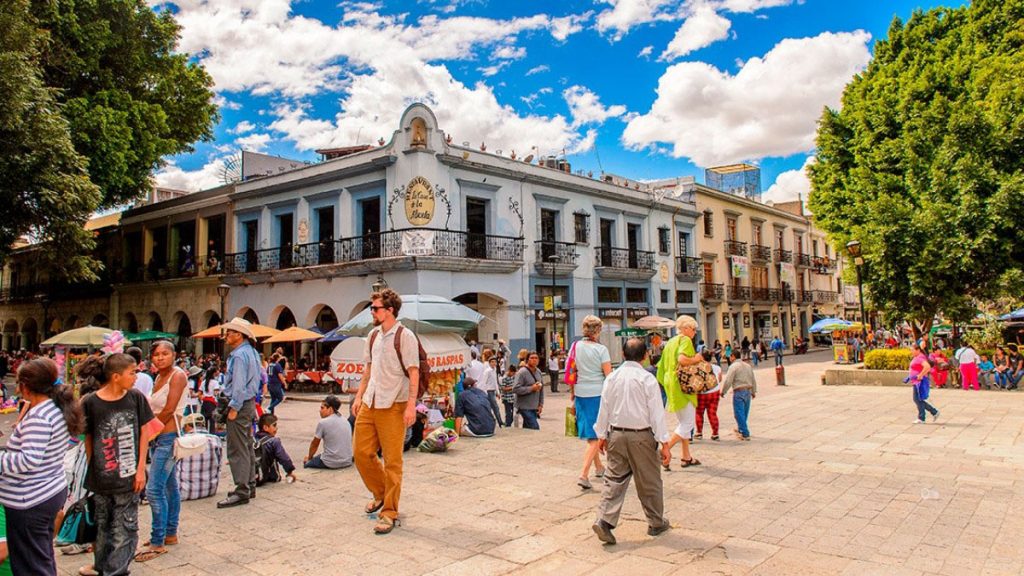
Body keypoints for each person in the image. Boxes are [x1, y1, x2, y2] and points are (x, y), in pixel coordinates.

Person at [0, 358, 84, 575]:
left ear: (25, 387)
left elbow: (28, 460)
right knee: (40, 556)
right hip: (47, 489)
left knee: (29, 563)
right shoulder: (54, 409)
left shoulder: (40, 416)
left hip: (30, 499)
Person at [80, 353, 161, 575]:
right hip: (101, 478)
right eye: (132, 372)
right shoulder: (90, 402)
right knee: (103, 527)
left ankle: (116, 571)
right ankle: (104, 567)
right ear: (116, 376)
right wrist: (92, 466)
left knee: (125, 528)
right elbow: (88, 438)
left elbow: (145, 432)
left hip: (128, 476)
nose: (136, 377)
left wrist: (140, 470)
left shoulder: (135, 398)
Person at [591, 338, 671, 546]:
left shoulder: (612, 378)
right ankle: (655, 522)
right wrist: (664, 442)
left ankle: (605, 520)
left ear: (623, 355)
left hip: (616, 434)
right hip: (641, 435)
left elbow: (604, 408)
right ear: (645, 356)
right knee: (649, 480)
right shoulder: (647, 379)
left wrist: (601, 434)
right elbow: (656, 414)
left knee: (614, 479)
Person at [352, 289, 420, 535]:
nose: (372, 311)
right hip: (371, 401)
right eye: (372, 308)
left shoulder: (405, 336)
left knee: (393, 461)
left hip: (394, 403)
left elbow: (414, 371)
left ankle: (389, 511)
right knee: (360, 452)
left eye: (376, 308)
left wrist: (411, 404)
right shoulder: (372, 336)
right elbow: (367, 370)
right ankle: (380, 493)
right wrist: (359, 396)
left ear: (389, 310)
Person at [136, 340, 189, 562]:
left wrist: (150, 433)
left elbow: (168, 409)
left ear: (174, 355)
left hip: (166, 437)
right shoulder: (158, 377)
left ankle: (157, 540)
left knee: (154, 489)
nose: (160, 358)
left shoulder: (178, 376)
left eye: (165, 353)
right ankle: (170, 533)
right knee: (169, 486)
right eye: (156, 354)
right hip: (159, 436)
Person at [217, 317, 262, 509]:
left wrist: (234, 407)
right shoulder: (251, 352)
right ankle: (249, 485)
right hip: (249, 403)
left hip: (240, 404)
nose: (226, 336)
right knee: (246, 445)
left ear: (239, 335)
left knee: (237, 448)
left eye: (229, 332)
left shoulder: (237, 356)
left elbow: (238, 385)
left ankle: (242, 489)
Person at [570, 315, 612, 489]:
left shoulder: (575, 347)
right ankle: (583, 474)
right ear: (598, 331)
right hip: (597, 393)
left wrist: (572, 396)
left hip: (580, 392)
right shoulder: (601, 350)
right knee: (596, 436)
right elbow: (608, 376)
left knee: (590, 432)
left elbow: (571, 372)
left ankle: (599, 467)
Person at [656, 315, 703, 469]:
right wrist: (697, 358)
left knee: (683, 421)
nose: (695, 332)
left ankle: (686, 456)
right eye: (693, 328)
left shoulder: (670, 342)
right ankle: (665, 449)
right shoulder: (685, 340)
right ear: (685, 328)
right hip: (682, 385)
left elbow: (660, 367)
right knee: (688, 423)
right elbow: (682, 359)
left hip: (671, 384)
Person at [304, 395, 353, 469]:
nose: (320, 410)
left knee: (306, 463)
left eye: (322, 408)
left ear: (330, 409)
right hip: (347, 461)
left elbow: (314, 444)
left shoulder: (323, 423)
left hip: (330, 462)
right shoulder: (345, 420)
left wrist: (309, 458)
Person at [720, 351, 757, 440]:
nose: (730, 358)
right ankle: (741, 428)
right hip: (748, 390)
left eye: (730, 356)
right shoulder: (748, 366)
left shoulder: (733, 367)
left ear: (733, 356)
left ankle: (745, 433)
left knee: (739, 413)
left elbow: (728, 380)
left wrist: (723, 391)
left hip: (739, 391)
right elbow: (753, 379)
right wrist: (753, 391)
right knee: (744, 412)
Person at [255, 414, 297, 484]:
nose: (276, 428)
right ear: (265, 427)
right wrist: (290, 471)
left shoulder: (253, 439)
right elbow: (283, 458)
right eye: (274, 425)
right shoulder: (274, 441)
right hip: (269, 477)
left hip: (251, 477)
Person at [695, 350, 723, 441]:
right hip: (714, 392)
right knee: (712, 413)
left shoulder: (697, 368)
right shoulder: (717, 367)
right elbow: (720, 379)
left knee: (699, 412)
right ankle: (715, 433)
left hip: (701, 393)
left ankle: (699, 432)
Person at [513, 351, 545, 430]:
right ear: (527, 360)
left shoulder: (538, 372)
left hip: (534, 406)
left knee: (528, 429)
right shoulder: (522, 372)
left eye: (536, 358)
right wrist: (531, 388)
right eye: (532, 358)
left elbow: (541, 389)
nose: (534, 360)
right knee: (535, 427)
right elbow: (515, 388)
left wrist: (540, 404)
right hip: (524, 406)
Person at [908, 344, 940, 423]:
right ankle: (933, 412)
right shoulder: (917, 357)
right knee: (918, 399)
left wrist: (921, 375)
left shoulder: (920, 358)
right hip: (916, 381)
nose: (911, 352)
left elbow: (927, 366)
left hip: (919, 381)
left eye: (912, 350)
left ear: (918, 350)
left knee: (917, 399)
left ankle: (922, 417)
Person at [477, 352, 504, 428]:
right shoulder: (487, 371)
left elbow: (495, 381)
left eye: (495, 362)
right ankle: (499, 421)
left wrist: (498, 392)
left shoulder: (494, 370)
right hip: (488, 391)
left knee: (492, 407)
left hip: (493, 391)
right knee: (494, 407)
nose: (494, 363)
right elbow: (484, 382)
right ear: (489, 363)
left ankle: (498, 421)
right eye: (492, 362)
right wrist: (485, 393)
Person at [199, 365, 222, 433]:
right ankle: (212, 436)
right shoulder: (215, 382)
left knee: (204, 421)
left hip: (204, 403)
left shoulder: (203, 382)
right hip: (212, 403)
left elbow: (200, 392)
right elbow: (215, 393)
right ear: (214, 373)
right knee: (212, 422)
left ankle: (204, 434)